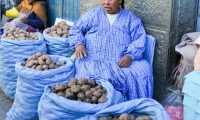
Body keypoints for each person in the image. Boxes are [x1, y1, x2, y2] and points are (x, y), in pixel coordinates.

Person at [68, 0, 153, 101]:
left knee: (143, 70)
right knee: (89, 76)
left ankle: (128, 106)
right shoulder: (93, 14)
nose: (106, 3)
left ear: (120, 0)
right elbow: (76, 29)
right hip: (93, 59)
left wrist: (130, 56)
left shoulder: (131, 19)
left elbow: (139, 39)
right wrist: (79, 44)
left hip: (119, 62)